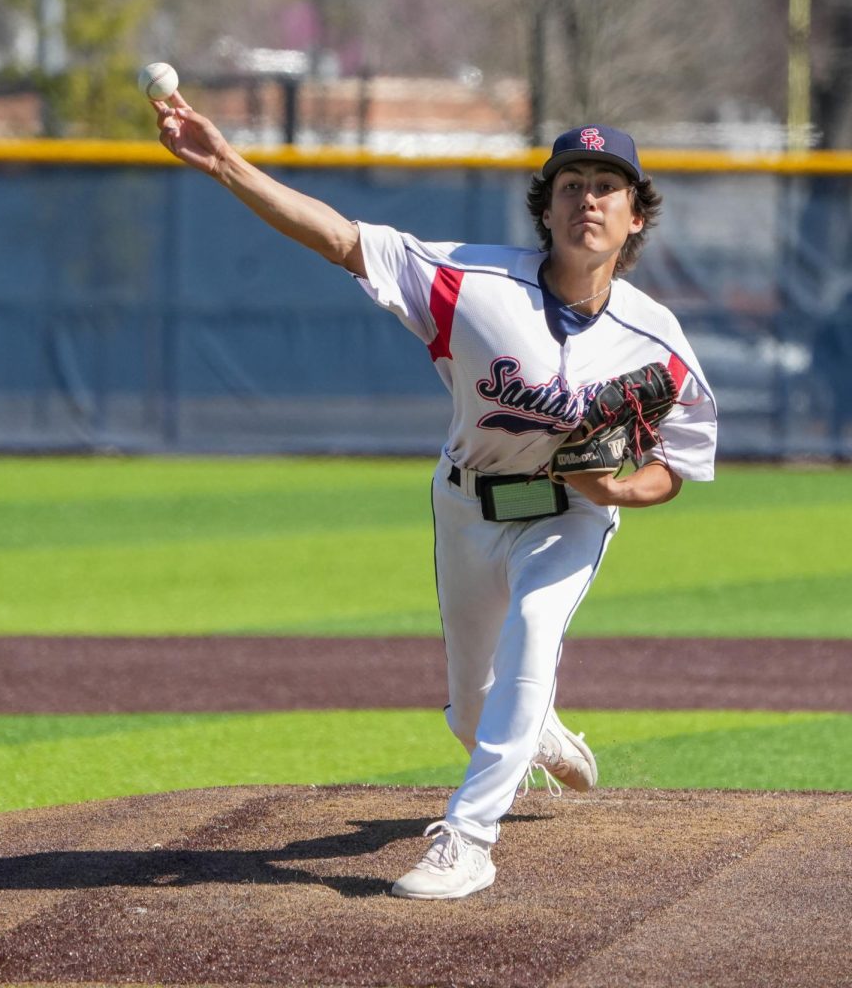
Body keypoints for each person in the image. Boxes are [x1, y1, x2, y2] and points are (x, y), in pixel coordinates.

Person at [152, 97, 717, 900]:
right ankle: (538, 735)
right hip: (467, 506)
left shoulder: (657, 339)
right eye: (571, 184)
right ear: (547, 206)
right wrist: (227, 164)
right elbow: (343, 240)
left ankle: (469, 839)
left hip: (569, 513)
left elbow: (680, 462)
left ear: (635, 216)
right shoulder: (471, 283)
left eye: (607, 186)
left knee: (534, 627)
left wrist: (620, 486)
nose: (587, 199)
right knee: (470, 715)